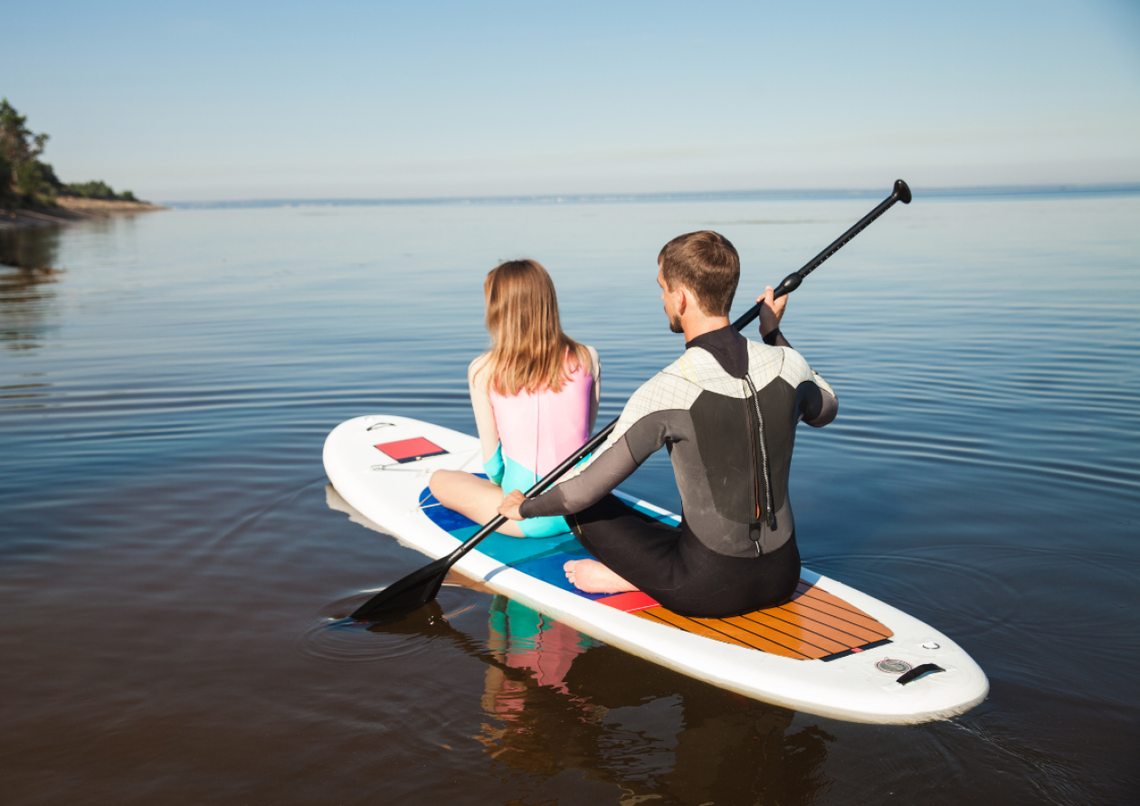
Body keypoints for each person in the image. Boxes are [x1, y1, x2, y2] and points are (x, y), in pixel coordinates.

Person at [498, 231, 838, 618]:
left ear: (681, 297)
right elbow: (826, 409)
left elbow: (580, 494)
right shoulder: (788, 365)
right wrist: (772, 332)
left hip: (706, 591)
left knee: (581, 506)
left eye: (662, 289)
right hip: (783, 575)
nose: (661, 300)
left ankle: (625, 578)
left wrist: (524, 507)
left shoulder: (667, 388)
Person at [430, 259, 600, 538]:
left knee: (439, 480)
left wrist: (504, 483)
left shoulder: (482, 370)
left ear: (498, 309)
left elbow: (493, 467)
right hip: (587, 504)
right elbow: (585, 438)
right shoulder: (588, 357)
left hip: (529, 517)